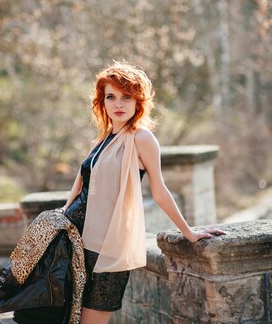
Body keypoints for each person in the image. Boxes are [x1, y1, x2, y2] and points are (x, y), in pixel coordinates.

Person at [58, 61, 226, 324]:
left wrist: (189, 232)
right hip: (76, 242)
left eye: (126, 97)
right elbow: (80, 184)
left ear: (138, 101)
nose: (118, 104)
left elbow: (159, 189)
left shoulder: (142, 139)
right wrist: (61, 217)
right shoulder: (100, 140)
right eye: (111, 97)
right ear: (101, 102)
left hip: (108, 248)